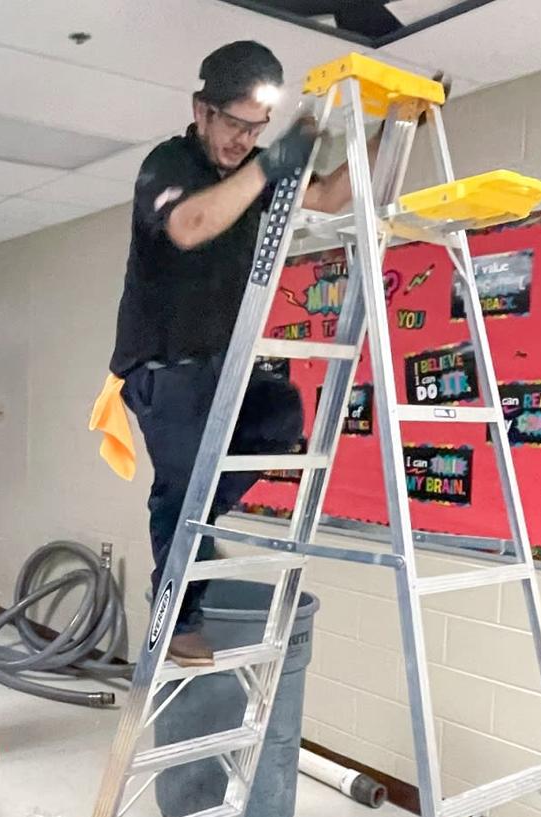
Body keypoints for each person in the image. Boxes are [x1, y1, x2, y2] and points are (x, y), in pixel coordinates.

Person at [110, 40, 367, 666]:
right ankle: (177, 613)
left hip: (225, 364)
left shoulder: (256, 168)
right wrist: (269, 166)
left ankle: (194, 532)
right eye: (233, 124)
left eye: (257, 128)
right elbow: (190, 226)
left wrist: (386, 130)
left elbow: (333, 197)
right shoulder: (168, 164)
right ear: (201, 112)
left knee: (280, 414)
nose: (242, 139)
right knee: (186, 482)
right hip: (162, 368)